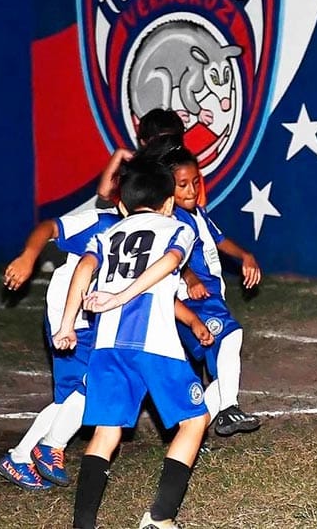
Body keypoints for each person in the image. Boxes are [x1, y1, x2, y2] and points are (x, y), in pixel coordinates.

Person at [53, 158, 211, 529]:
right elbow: (170, 261)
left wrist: (67, 324)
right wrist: (122, 295)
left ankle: (83, 525)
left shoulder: (107, 234)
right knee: (194, 420)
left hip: (108, 348)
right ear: (169, 201)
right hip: (155, 345)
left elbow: (83, 269)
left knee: (106, 434)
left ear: (122, 204)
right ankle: (160, 517)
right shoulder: (176, 228)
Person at [0, 207, 122, 490]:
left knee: (81, 393)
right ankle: (32, 452)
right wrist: (28, 258)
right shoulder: (102, 222)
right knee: (88, 387)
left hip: (98, 318)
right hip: (72, 319)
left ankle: (22, 456)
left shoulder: (147, 226)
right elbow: (50, 227)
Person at [162, 144, 262, 436]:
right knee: (231, 337)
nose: (191, 190)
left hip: (210, 298)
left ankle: (192, 432)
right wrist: (190, 277)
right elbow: (172, 254)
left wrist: (245, 255)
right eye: (182, 185)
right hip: (194, 301)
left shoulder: (197, 213)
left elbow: (218, 239)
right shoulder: (171, 220)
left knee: (224, 370)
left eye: (195, 182)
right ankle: (229, 411)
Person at [97, 108, 207, 208]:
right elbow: (104, 193)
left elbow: (199, 207)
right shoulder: (137, 173)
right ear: (144, 142)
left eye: (174, 141)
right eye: (162, 142)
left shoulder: (187, 170)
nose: (168, 148)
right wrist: (119, 154)